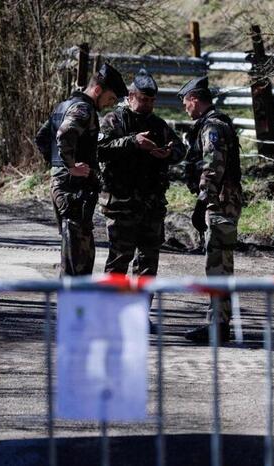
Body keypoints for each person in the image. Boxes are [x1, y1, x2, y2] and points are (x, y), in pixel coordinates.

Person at [97, 69, 185, 327]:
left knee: (147, 266)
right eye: (143, 100)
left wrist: (167, 153)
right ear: (131, 96)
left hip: (151, 207)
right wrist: (132, 142)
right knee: (118, 263)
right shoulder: (114, 120)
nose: (147, 105)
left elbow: (181, 149)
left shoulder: (158, 125)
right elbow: (99, 150)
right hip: (122, 206)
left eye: (151, 101)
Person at [36, 63, 128, 276]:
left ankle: (71, 306)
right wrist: (70, 166)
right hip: (73, 190)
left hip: (64, 186)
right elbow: (64, 134)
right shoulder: (84, 109)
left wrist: (57, 167)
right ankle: (71, 307)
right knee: (78, 259)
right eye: (111, 99)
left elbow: (42, 138)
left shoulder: (64, 105)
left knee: (73, 252)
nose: (109, 105)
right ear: (98, 90)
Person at [178, 75, 243, 343]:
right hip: (223, 199)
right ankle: (220, 322)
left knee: (217, 264)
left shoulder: (212, 127)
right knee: (220, 263)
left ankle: (218, 325)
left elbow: (212, 165)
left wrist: (203, 200)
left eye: (185, 103)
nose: (185, 108)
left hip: (220, 201)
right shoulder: (216, 122)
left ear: (194, 99)